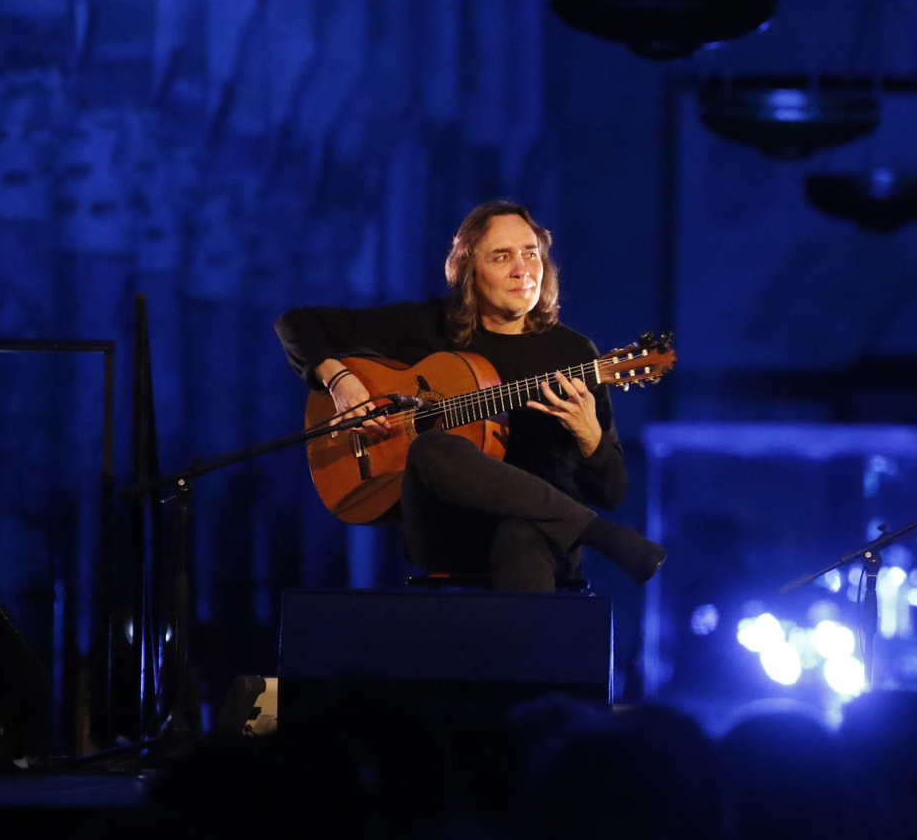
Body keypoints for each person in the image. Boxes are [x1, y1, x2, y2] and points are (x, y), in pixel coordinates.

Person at [276, 199, 666, 590]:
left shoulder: (575, 356)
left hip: (545, 540)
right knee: (431, 448)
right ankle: (602, 536)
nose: (523, 270)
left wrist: (590, 437)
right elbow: (298, 324)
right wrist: (342, 383)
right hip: (448, 530)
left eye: (531, 254)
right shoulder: (431, 328)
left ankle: (532, 640)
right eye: (502, 257)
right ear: (468, 271)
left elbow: (613, 492)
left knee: (521, 534)